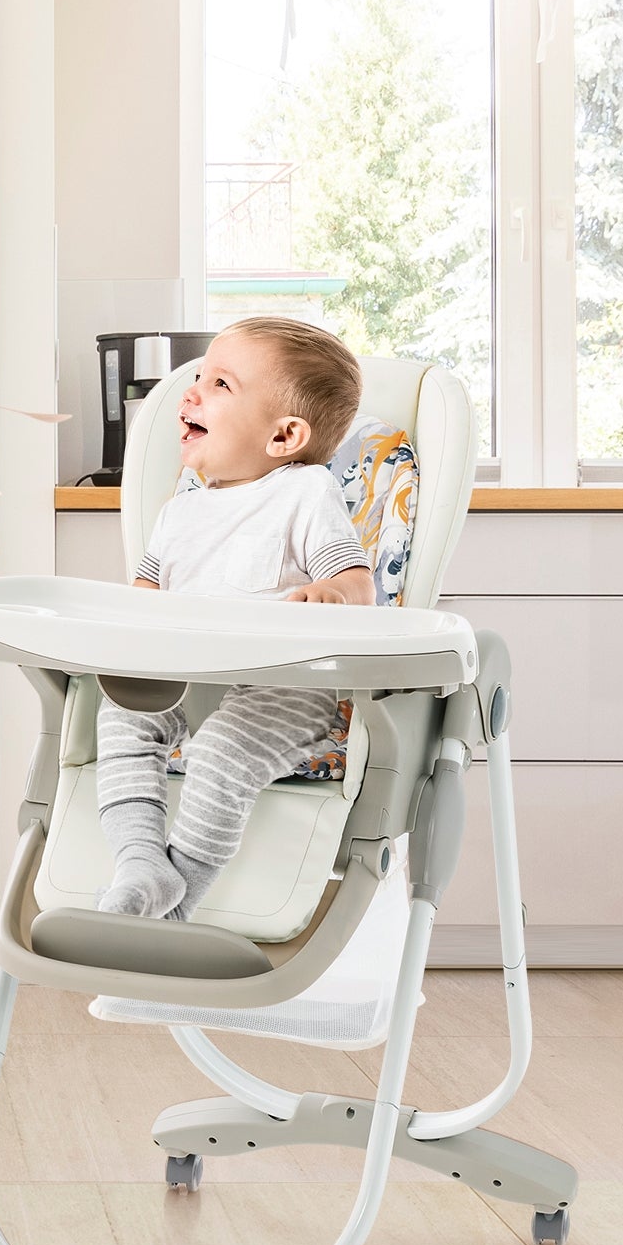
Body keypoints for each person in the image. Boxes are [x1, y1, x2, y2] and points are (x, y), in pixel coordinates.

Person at [96, 317, 370, 922]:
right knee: (120, 719)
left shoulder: (305, 492)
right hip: (184, 675)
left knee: (223, 749)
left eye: (219, 384)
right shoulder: (178, 512)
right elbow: (139, 597)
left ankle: (177, 900)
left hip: (281, 683)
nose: (189, 393)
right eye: (197, 378)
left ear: (284, 436)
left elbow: (355, 582)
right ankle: (141, 863)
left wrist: (329, 597)